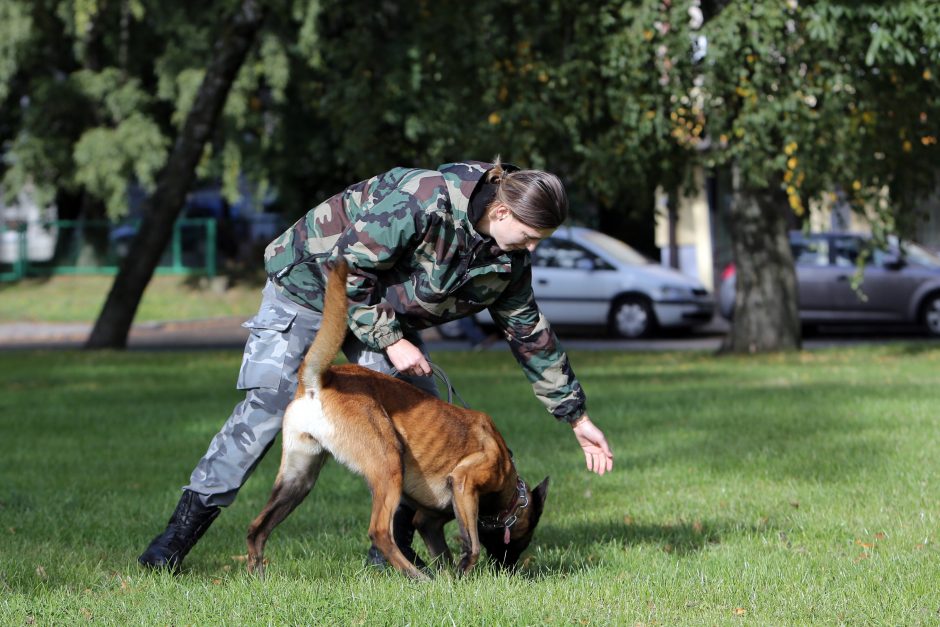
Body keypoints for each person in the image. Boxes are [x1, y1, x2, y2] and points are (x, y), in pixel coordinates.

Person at [138, 159, 615, 572]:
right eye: (530, 237)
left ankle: (389, 553)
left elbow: (529, 332)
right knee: (266, 412)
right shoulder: (425, 198)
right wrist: (390, 341)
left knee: (420, 414)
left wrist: (576, 416)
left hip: (380, 312)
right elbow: (351, 267)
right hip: (310, 287)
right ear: (502, 211)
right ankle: (172, 544)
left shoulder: (507, 257)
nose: (532, 248)